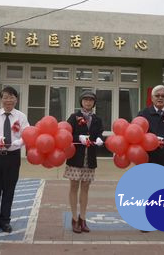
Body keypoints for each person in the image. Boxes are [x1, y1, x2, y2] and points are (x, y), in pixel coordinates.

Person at [0, 86, 29, 233]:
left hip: (13, 157)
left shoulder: (21, 117)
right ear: (1, 99)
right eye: (5, 97)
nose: (8, 100)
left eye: (11, 97)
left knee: (9, 190)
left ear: (16, 99)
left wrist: (19, 142)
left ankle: (5, 221)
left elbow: (27, 134)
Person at [64, 90, 104, 233]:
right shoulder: (74, 117)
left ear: (94, 103)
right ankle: (74, 218)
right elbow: (66, 134)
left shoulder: (97, 119)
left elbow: (99, 133)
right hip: (76, 157)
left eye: (91, 100)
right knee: (74, 186)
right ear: (81, 102)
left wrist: (100, 139)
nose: (88, 102)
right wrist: (78, 137)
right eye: (85, 100)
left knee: (86, 187)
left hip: (90, 158)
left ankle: (83, 218)